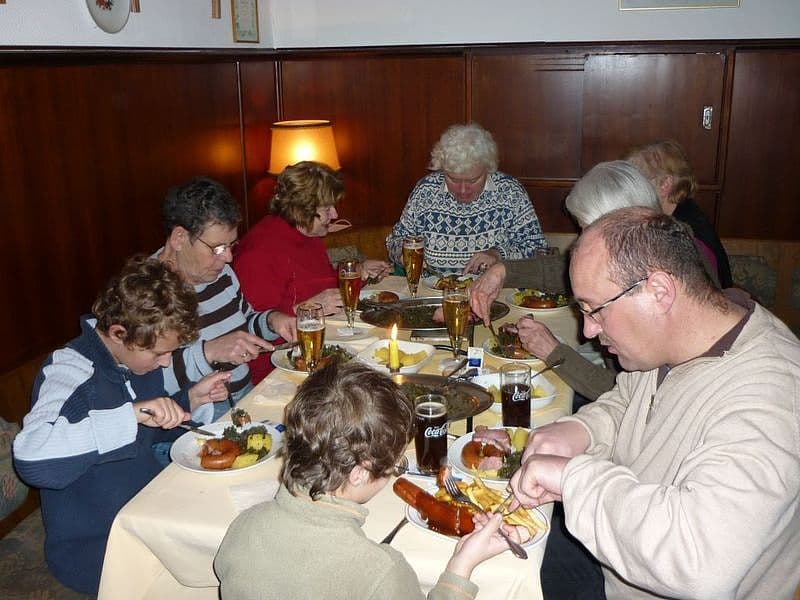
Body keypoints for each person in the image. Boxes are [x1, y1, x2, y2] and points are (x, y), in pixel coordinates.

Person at [510, 207, 800, 600]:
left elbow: (698, 562)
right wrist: (579, 431)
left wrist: (572, 478)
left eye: (595, 309)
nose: (588, 329)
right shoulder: (675, 339)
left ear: (659, 291)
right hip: (620, 561)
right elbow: (627, 400)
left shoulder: (772, 395)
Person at [214, 361, 529, 600]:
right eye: (393, 463)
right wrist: (462, 565)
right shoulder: (380, 570)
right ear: (360, 472)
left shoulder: (243, 526)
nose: (394, 468)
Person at [12, 256, 230, 595]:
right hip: (99, 548)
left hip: (150, 515)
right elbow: (31, 459)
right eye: (159, 353)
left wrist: (189, 402)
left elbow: (143, 430)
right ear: (118, 333)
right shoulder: (69, 371)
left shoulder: (136, 360)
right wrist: (129, 415)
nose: (164, 363)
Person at [472, 160, 660, 401]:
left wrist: (555, 353)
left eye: (585, 229)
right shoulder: (645, 253)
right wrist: (503, 271)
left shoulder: (649, 296)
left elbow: (630, 399)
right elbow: (563, 270)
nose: (580, 241)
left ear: (620, 227)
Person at [234, 161, 390, 383]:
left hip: (321, 347)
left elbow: (318, 287)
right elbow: (253, 327)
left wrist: (357, 272)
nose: (335, 214)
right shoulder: (259, 252)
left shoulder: (309, 235)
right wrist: (309, 309)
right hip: (279, 368)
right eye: (327, 209)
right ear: (300, 209)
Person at [156, 176, 296, 418]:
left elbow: (244, 323)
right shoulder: (148, 291)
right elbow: (141, 381)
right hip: (192, 423)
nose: (229, 257)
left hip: (245, 403)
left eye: (231, 245)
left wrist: (272, 320)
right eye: (218, 248)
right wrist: (209, 351)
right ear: (179, 238)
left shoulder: (221, 273)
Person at [385, 122, 547, 275]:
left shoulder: (510, 192)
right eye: (453, 180)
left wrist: (498, 254)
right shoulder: (426, 190)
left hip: (494, 295)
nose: (463, 190)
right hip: (433, 293)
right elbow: (395, 240)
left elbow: (538, 251)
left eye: (472, 180)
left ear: (487, 168)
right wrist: (402, 253)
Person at [627, 139, 733, 288]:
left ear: (664, 184)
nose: (627, 190)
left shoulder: (686, 234)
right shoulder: (675, 215)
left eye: (634, 182)